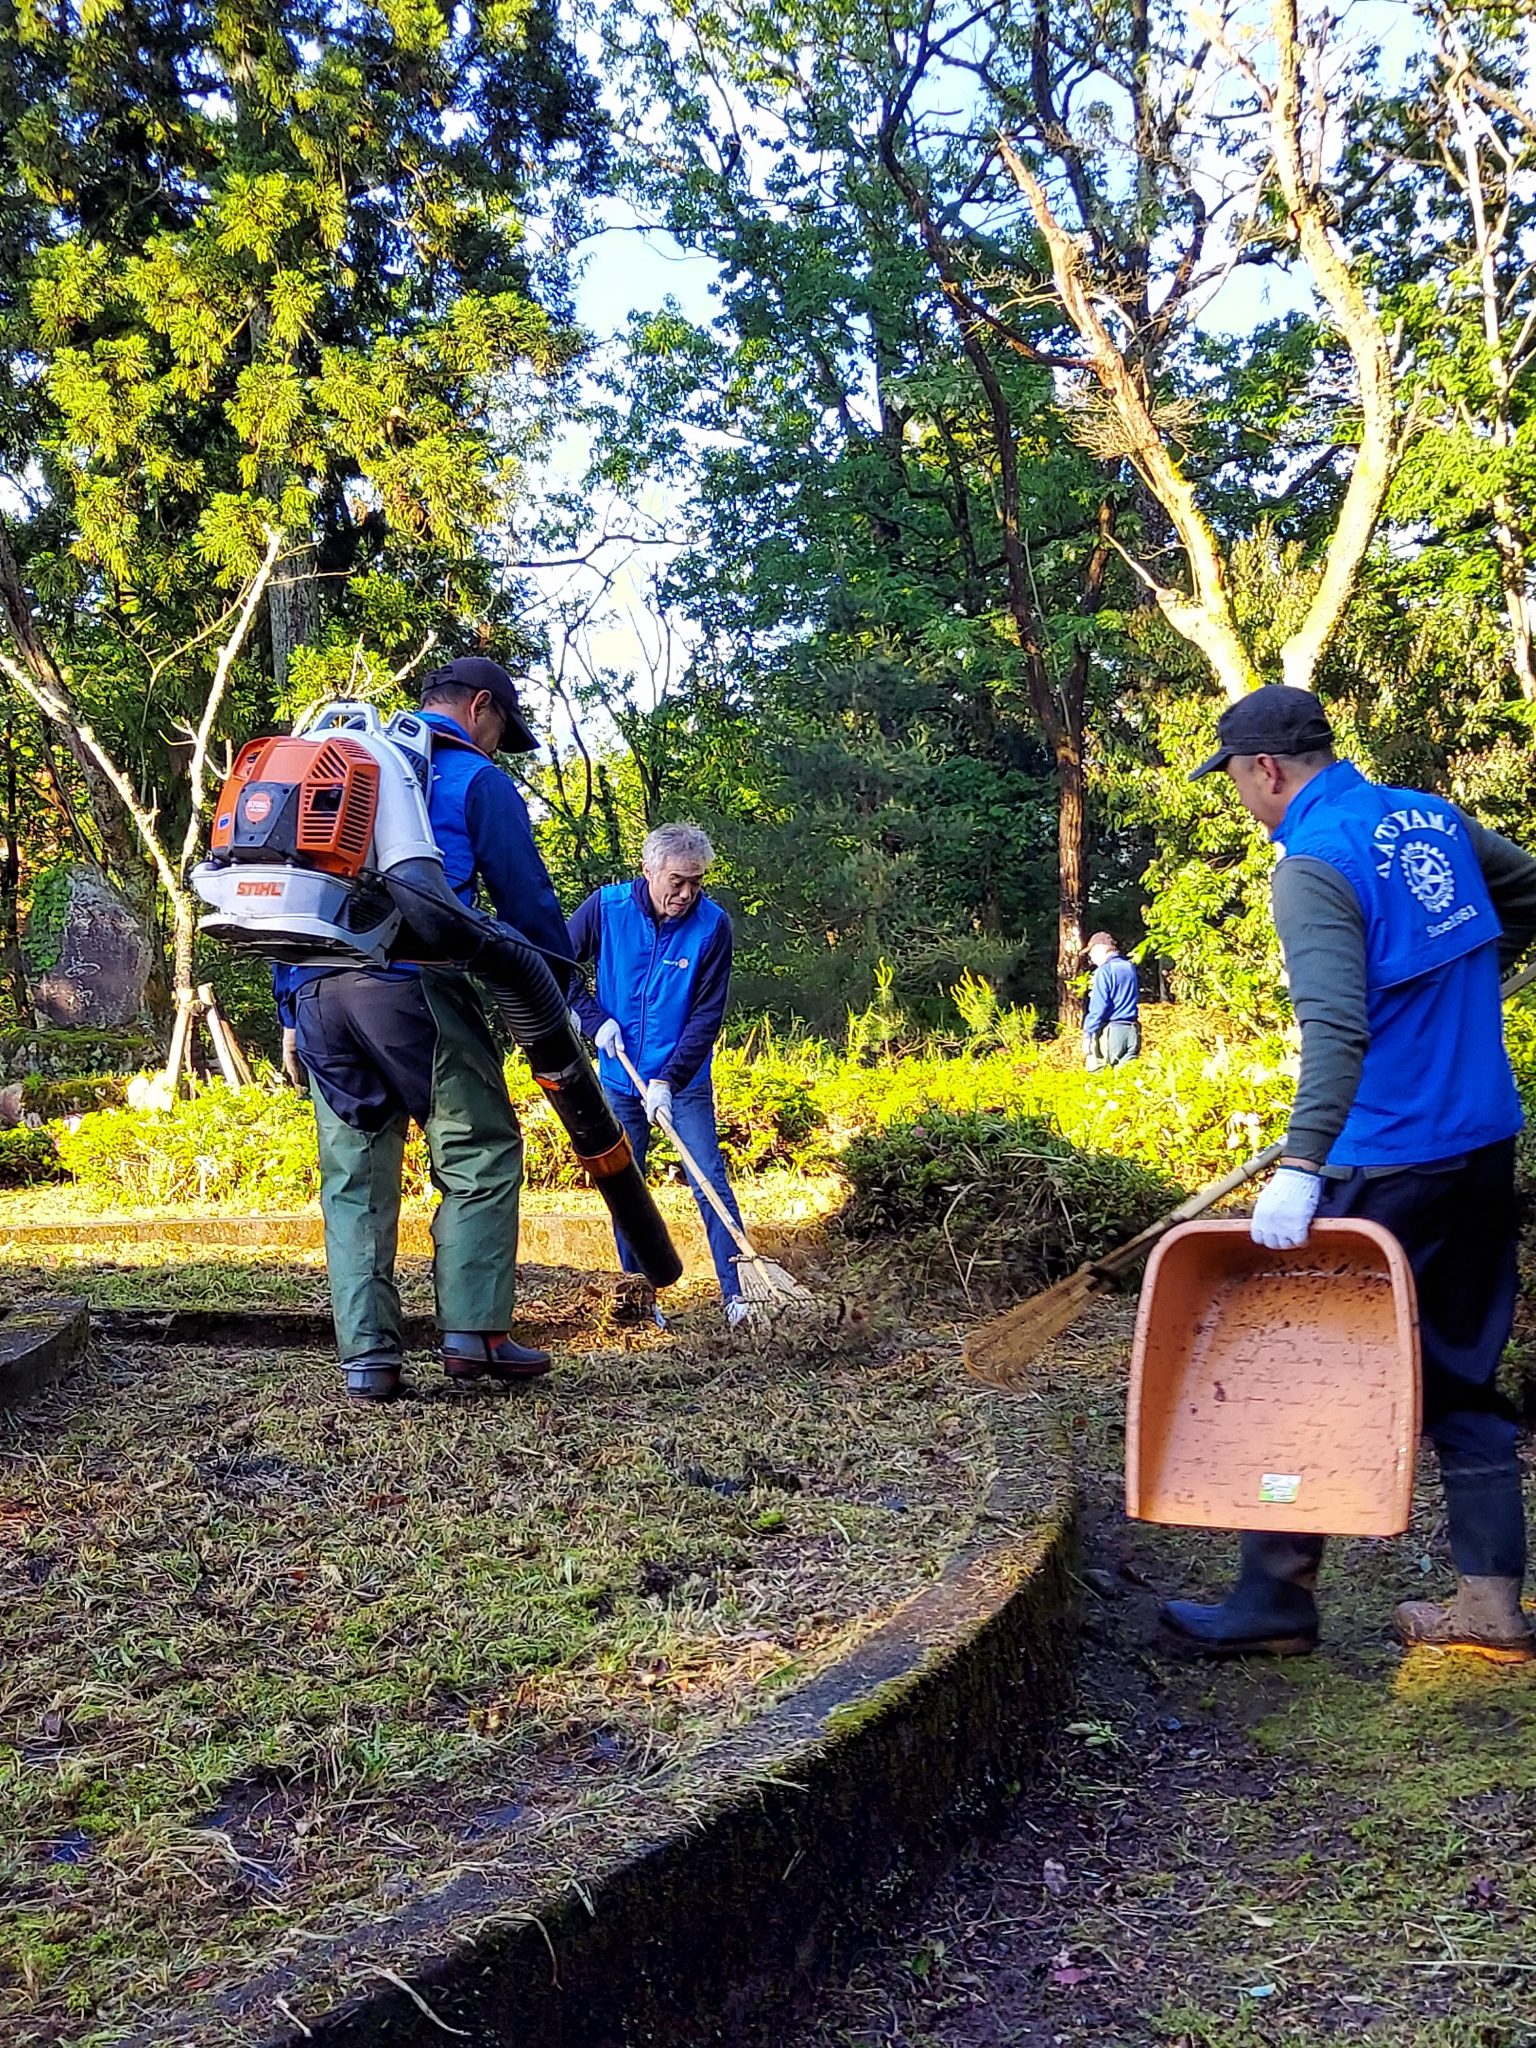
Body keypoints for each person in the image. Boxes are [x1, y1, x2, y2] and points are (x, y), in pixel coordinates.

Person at [1162, 684, 1536, 1661]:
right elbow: (1529, 892)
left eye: (1236, 779)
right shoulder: (1430, 817)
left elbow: (1335, 1028)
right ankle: (1492, 1606)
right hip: (1481, 1143)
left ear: (1266, 770)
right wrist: (1464, 986)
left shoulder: (1313, 861)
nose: (1242, 797)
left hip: (1387, 1156)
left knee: (1300, 1364)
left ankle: (1274, 1603)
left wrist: (1301, 1163)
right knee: (1464, 1372)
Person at [277, 657, 572, 1403]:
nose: (500, 746)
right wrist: (558, 993)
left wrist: (289, 1009)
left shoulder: (336, 765)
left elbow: (293, 881)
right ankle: (475, 1335)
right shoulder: (473, 778)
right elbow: (528, 904)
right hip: (412, 985)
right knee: (480, 1150)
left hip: (315, 991)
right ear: (480, 707)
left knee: (353, 1176)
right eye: (502, 729)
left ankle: (368, 1359)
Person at [567, 824, 752, 1326]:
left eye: (696, 882)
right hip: (619, 1080)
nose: (686, 893)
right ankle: (639, 1297)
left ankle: (739, 1295)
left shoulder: (712, 927)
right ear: (648, 870)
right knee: (627, 1189)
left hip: (682, 1084)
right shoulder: (606, 909)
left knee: (708, 1179)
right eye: (677, 881)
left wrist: (669, 1079)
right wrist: (593, 1019)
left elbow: (706, 1016)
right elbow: (555, 966)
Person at [1082, 930, 1140, 1068]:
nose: (1091, 958)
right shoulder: (1129, 967)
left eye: (1091, 953)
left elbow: (1099, 1007)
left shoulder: (1104, 971)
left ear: (1100, 949)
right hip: (1132, 1030)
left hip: (1113, 1032)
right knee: (1128, 1075)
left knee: (1100, 1073)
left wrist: (1088, 1033)